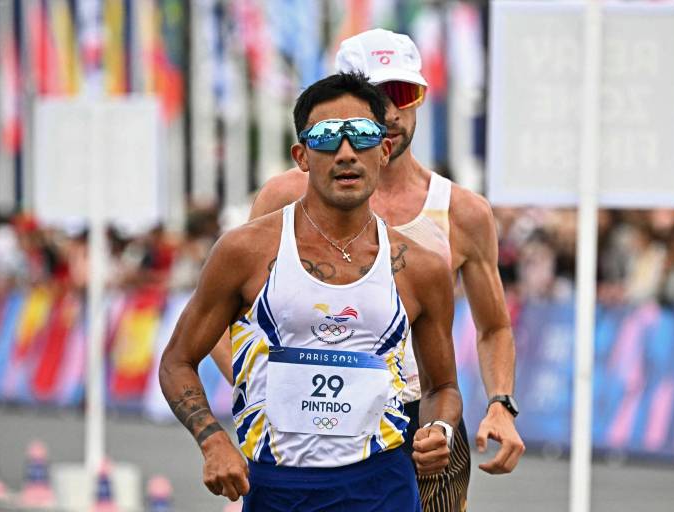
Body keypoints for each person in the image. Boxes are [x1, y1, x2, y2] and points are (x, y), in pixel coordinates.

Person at [212, 28, 525, 511]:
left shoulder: (461, 211)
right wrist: (274, 391)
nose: (392, 113)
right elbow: (225, 314)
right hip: (306, 434)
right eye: (377, 97)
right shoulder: (285, 197)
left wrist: (501, 405)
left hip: (422, 423)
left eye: (405, 94)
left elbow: (494, 327)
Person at [159, 72, 462, 511]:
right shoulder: (246, 251)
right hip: (277, 487)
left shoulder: (421, 266)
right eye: (325, 138)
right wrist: (212, 440)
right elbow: (177, 361)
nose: (345, 153)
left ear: (384, 149)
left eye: (361, 135)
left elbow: (444, 387)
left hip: (382, 485)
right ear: (301, 156)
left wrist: (440, 430)